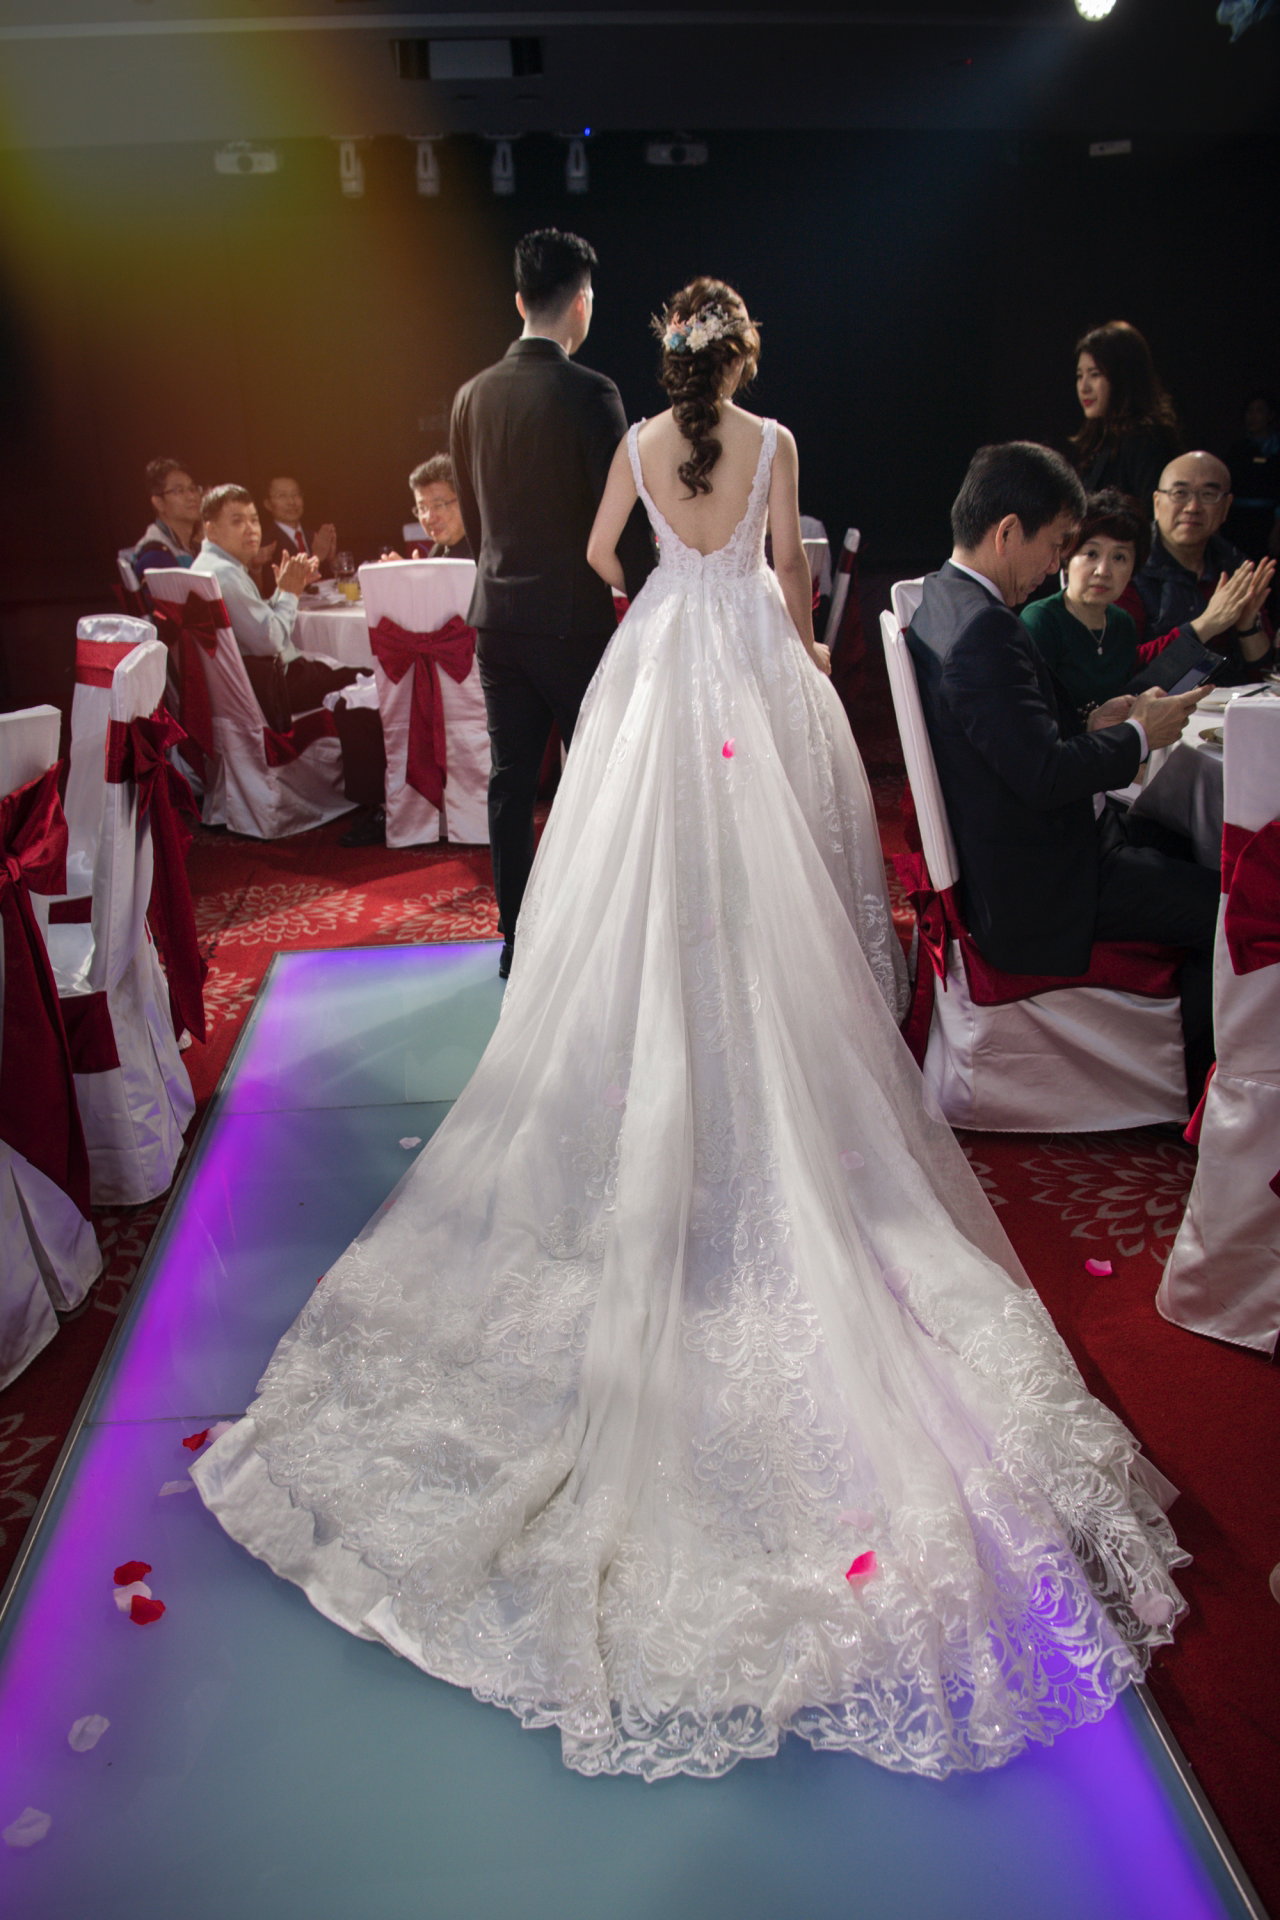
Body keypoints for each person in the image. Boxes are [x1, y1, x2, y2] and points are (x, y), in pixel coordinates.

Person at [194, 284, 1187, 1787]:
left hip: (658, 666)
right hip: (747, 676)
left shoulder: (640, 446)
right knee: (768, 879)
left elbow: (604, 557)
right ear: (748, 363)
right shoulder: (774, 443)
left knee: (636, 877)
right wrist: (772, 640)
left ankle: (658, 1031)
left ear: (666, 367)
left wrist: (665, 586)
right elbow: (788, 581)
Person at [907, 441, 1219, 1102]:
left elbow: (1009, 738)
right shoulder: (984, 630)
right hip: (1046, 886)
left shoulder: (942, 598)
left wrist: (1092, 722)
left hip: (1026, 852)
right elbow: (1045, 776)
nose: (1054, 567)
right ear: (1007, 533)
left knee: (1185, 845)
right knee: (1230, 909)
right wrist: (1141, 734)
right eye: (1054, 546)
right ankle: (1204, 1097)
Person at [450, 228, 655, 977]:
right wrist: (651, 595)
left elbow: (474, 520)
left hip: (497, 619)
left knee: (510, 782)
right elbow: (621, 520)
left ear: (519, 302)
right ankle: (592, 937)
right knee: (594, 777)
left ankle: (516, 938)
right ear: (582, 303)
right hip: (571, 624)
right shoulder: (591, 392)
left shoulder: (471, 395)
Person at [1020, 489, 1216, 721]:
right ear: (1067, 558)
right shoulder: (1041, 620)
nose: (1103, 571)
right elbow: (1029, 717)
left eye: (1119, 557)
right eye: (1091, 554)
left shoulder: (1123, 624)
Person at [196, 484, 364, 723]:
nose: (251, 529)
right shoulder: (225, 573)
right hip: (276, 688)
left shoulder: (206, 565)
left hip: (250, 686)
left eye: (254, 520)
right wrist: (290, 592)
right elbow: (271, 640)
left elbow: (255, 623)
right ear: (211, 530)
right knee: (370, 678)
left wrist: (284, 589)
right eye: (237, 521)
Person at [1130, 450, 1276, 685]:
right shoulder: (1128, 565)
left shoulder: (1236, 566)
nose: (1193, 507)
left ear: (1226, 507)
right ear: (1157, 503)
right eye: (1180, 493)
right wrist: (1207, 624)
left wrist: (1247, 626)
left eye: (1208, 495)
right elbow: (1125, 669)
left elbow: (1264, 679)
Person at [1070, 320, 1181, 509]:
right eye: (1080, 376)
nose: (1084, 387)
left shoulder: (1146, 439)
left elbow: (1154, 513)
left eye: (1095, 374)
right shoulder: (1097, 438)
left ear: (1122, 377)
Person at [379, 454, 474, 562]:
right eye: (422, 508)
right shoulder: (438, 550)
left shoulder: (483, 555)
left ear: (464, 502)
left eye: (438, 505)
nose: (429, 519)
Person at [1224, 391, 1280, 563]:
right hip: (1237, 521)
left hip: (1267, 522)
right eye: (1250, 411)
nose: (1253, 417)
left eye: (1259, 411)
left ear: (1270, 416)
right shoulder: (1237, 449)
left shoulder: (1276, 449)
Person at [133, 458, 203, 576]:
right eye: (179, 491)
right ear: (159, 503)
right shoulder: (155, 555)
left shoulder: (191, 546)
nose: (192, 496)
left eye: (192, 489)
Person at [259, 473, 338, 577]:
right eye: (282, 496)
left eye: (295, 494)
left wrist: (331, 559)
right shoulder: (265, 543)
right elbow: (273, 585)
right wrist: (316, 557)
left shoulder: (314, 536)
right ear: (268, 504)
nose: (291, 502)